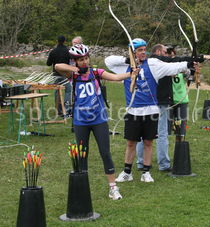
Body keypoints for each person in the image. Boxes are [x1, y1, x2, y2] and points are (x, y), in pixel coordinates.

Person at [105, 38, 196, 183]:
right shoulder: (124, 67)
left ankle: (146, 172)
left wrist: (189, 63)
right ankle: (127, 172)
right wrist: (129, 60)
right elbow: (108, 61)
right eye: (139, 51)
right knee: (130, 143)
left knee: (148, 142)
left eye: (144, 50)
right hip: (133, 110)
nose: (143, 53)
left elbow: (172, 67)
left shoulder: (153, 64)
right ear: (132, 52)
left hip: (151, 111)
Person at [55, 44, 139, 200]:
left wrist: (131, 74)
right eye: (81, 60)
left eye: (86, 58)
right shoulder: (72, 75)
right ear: (75, 61)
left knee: (105, 153)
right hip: (80, 121)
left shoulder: (96, 73)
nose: (85, 61)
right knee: (82, 155)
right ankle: (83, 187)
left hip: (99, 120)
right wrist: (74, 69)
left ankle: (113, 188)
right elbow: (57, 66)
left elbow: (115, 77)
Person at [135, 44, 210, 171]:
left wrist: (191, 69)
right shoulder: (159, 61)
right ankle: (163, 165)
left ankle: (141, 163)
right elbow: (177, 60)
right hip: (160, 102)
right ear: (158, 52)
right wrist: (204, 57)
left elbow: (180, 67)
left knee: (144, 133)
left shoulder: (145, 63)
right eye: (165, 51)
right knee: (161, 133)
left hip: (145, 102)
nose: (167, 54)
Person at [46, 35, 72, 117]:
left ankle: (58, 110)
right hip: (65, 74)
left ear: (57, 41)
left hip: (56, 74)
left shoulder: (53, 51)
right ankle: (66, 109)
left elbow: (48, 63)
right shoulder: (68, 51)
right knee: (68, 90)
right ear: (65, 41)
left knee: (57, 91)